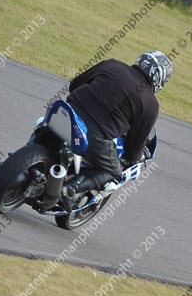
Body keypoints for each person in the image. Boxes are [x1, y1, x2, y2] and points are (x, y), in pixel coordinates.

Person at [62, 51, 172, 198]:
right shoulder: (151, 104)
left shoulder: (112, 64)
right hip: (93, 134)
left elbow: (75, 84)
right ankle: (70, 188)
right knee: (114, 172)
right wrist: (132, 159)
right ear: (159, 77)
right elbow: (135, 145)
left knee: (43, 127)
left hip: (65, 111)